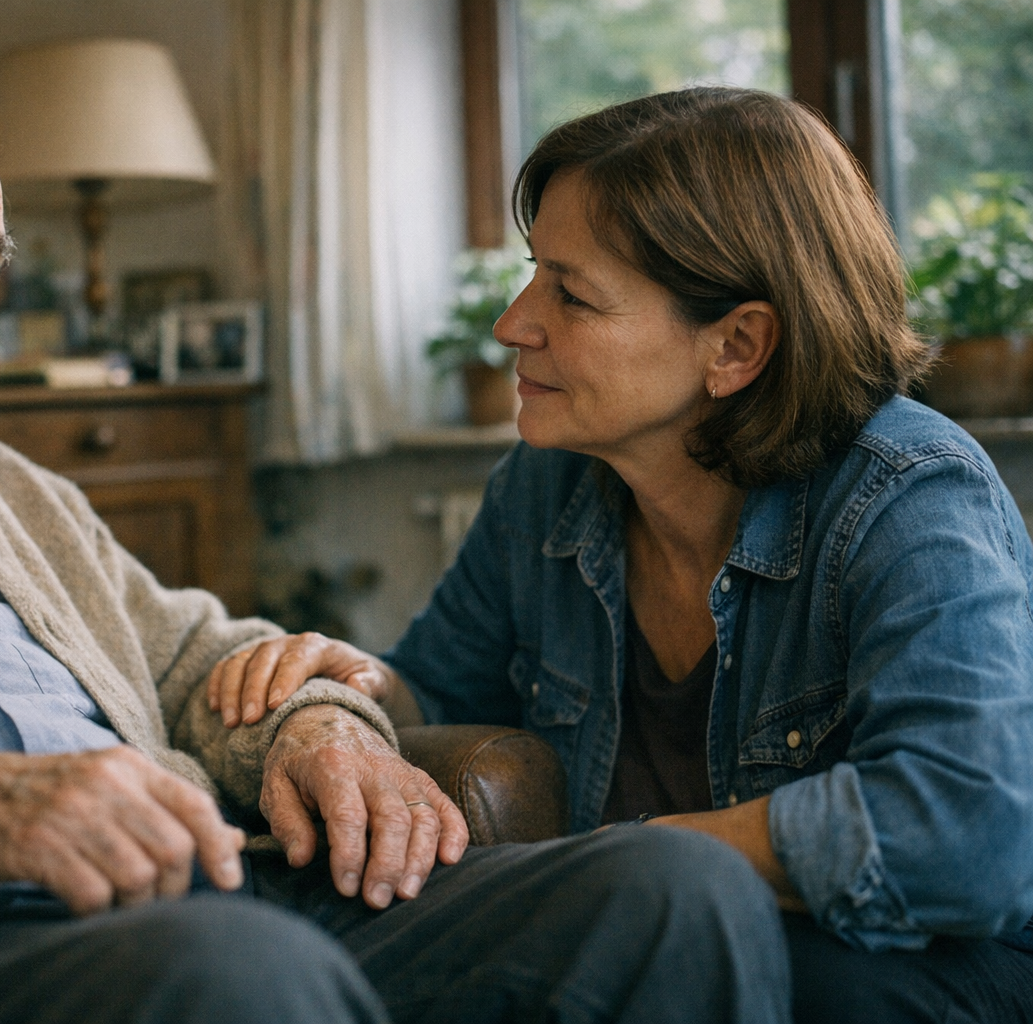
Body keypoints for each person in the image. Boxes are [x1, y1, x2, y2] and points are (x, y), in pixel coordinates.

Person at [0, 60, 791, 1024]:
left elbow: (200, 657)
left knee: (673, 890)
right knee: (241, 972)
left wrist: (317, 727)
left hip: (221, 894)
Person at [215, 87, 1033, 1021]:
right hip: (665, 937)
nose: (513, 323)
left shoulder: (910, 493)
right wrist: (357, 689)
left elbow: (967, 832)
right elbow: (439, 689)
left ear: (737, 345)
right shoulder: (547, 485)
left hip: (926, 965)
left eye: (572, 295)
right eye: (534, 274)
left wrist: (638, 861)